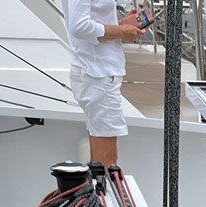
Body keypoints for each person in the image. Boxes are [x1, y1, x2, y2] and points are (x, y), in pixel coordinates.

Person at [62, 3, 145, 167]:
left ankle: (97, 184)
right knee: (107, 161)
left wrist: (120, 25)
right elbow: (79, 26)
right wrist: (122, 31)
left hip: (96, 73)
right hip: (98, 74)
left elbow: (89, 22)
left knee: (99, 164)